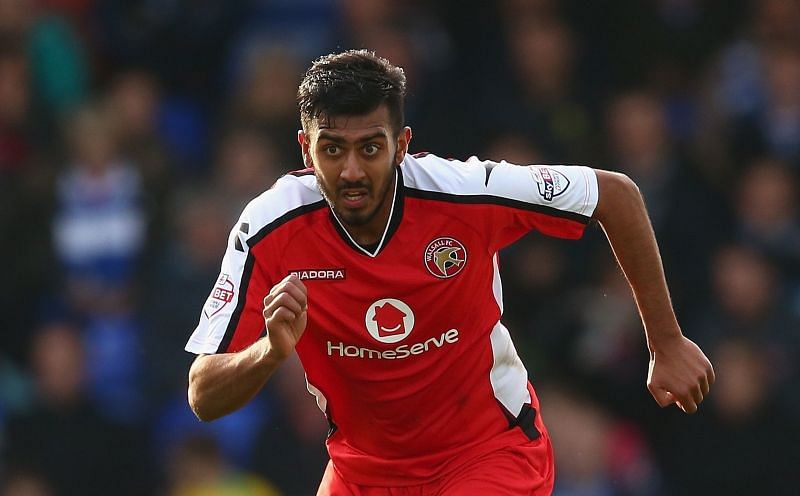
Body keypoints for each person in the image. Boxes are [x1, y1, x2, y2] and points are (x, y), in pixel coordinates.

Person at [185, 50, 715, 495]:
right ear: (305, 148)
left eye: (370, 147)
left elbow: (615, 195)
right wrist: (270, 352)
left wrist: (666, 343)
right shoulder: (269, 227)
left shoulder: (464, 194)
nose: (350, 171)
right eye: (332, 149)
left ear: (402, 144)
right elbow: (203, 395)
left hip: (487, 453)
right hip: (362, 472)